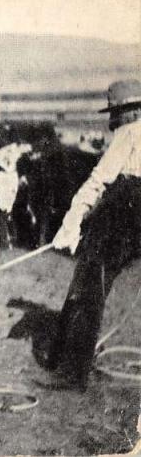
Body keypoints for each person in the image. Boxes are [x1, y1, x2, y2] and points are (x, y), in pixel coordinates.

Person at [45, 78, 141, 391]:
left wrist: (71, 222)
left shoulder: (130, 132)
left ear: (123, 111)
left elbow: (99, 180)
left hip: (128, 207)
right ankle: (61, 356)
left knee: (89, 285)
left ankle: (72, 371)